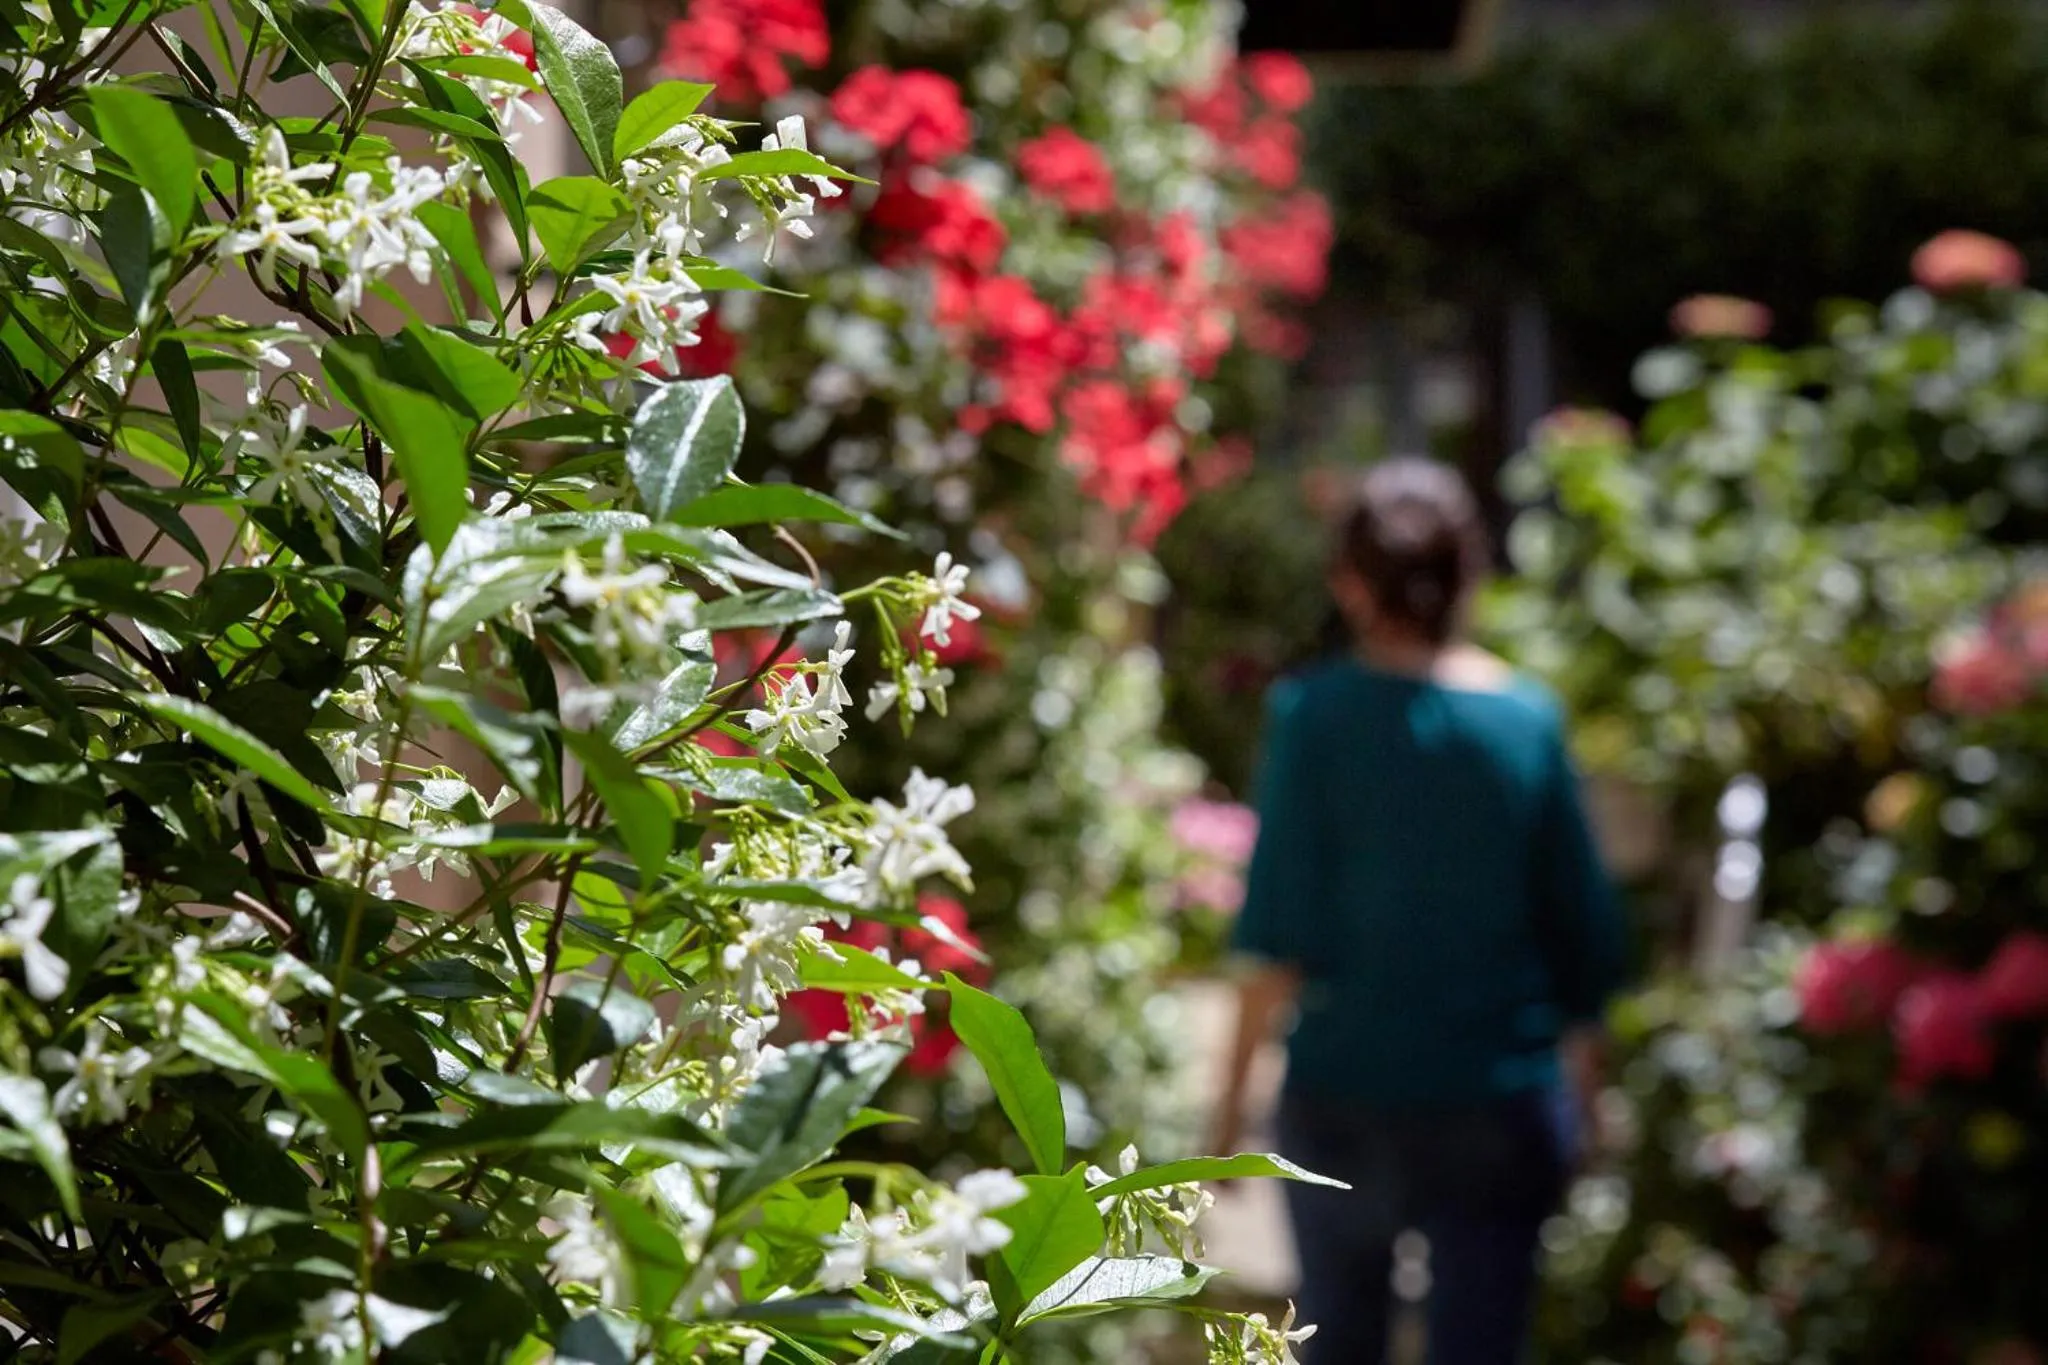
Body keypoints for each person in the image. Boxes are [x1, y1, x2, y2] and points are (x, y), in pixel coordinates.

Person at [1211, 457, 1629, 1365]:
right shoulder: (1526, 720)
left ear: (1350, 582)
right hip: (1499, 1101)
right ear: (1470, 573)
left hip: (1343, 1090)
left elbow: (1275, 931)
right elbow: (1580, 936)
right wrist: (1591, 1103)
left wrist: (1226, 1115)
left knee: (1340, 1334)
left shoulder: (1313, 717)